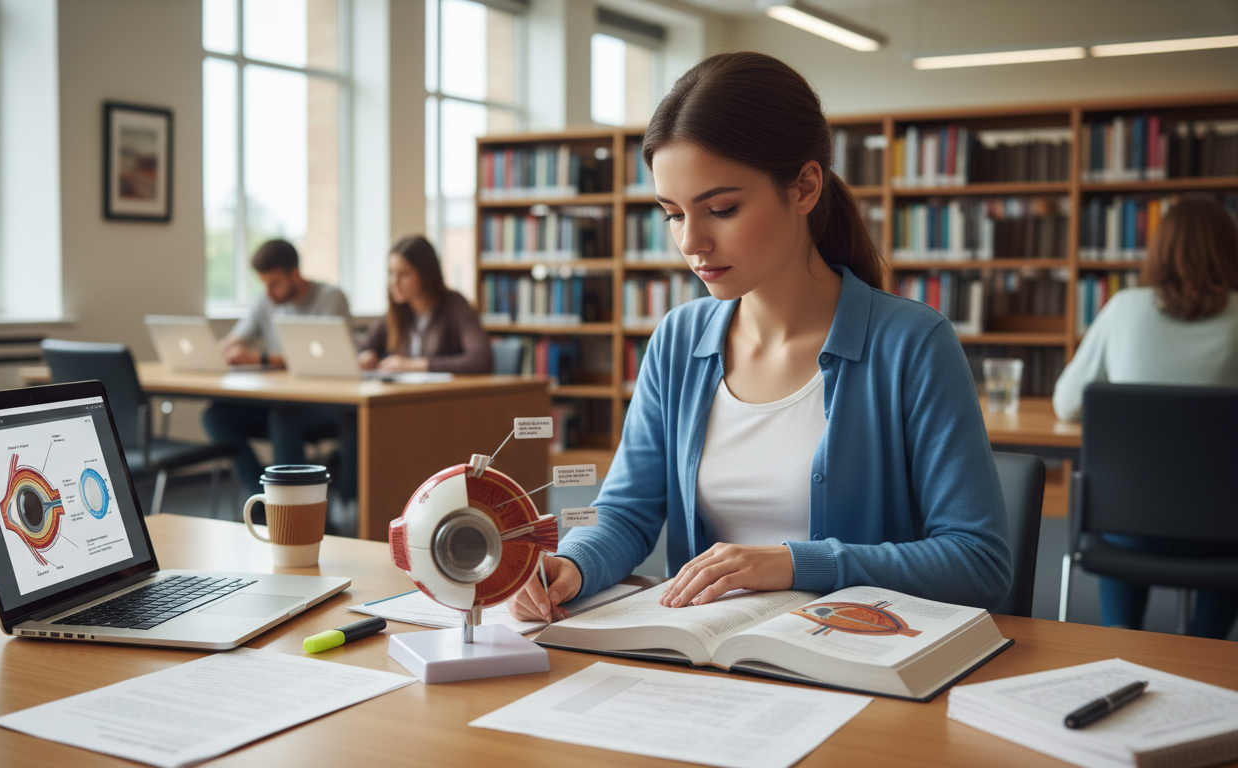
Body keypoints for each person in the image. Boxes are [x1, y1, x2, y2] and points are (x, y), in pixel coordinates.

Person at [509, 52, 1011, 623]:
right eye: (672, 214)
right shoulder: (677, 341)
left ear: (803, 187)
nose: (691, 241)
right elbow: (625, 511)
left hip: (854, 671)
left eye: (720, 209)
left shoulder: (913, 345)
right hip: (710, 662)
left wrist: (797, 564)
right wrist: (572, 563)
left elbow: (979, 564)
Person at [1052, 197, 1238, 639]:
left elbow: (1066, 403)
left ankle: (1121, 633)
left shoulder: (1124, 309)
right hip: (1226, 535)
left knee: (1120, 493)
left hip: (1125, 529)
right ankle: (1206, 645)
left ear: (1160, 250)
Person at [203, 239, 355, 494]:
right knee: (216, 416)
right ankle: (262, 497)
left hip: (326, 402)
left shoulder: (330, 298)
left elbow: (325, 357)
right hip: (280, 397)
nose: (269, 293)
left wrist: (260, 359)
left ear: (294, 273)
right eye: (264, 285)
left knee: (283, 418)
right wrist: (211, 354)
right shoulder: (266, 301)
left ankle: (295, 504)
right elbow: (234, 340)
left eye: (275, 284)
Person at [358, 235, 493, 373]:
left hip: (441, 393)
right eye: (391, 273)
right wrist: (365, 356)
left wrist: (415, 365)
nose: (394, 282)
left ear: (425, 274)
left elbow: (481, 359)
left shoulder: (455, 306)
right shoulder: (399, 311)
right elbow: (361, 348)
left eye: (403, 274)